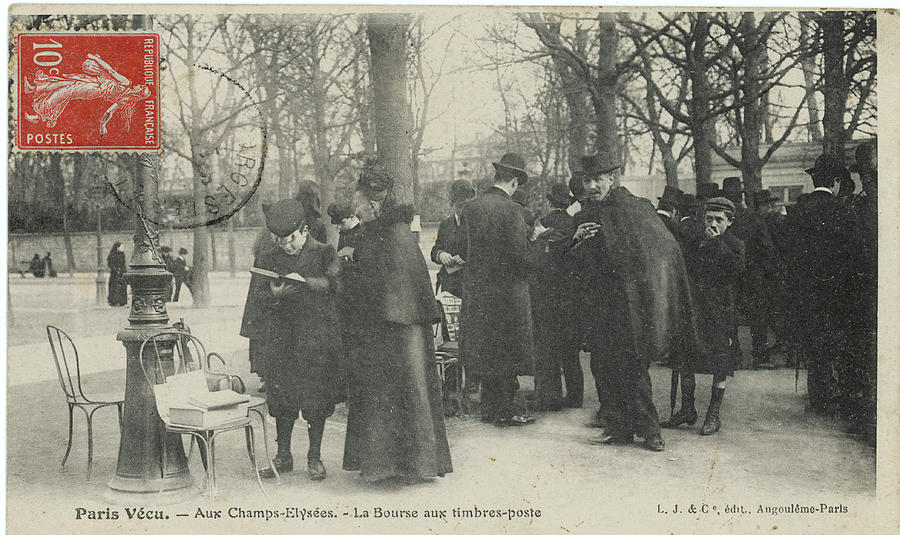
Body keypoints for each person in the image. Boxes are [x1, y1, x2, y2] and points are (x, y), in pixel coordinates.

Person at [570, 154, 697, 452]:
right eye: (587, 180)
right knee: (603, 366)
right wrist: (576, 241)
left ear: (611, 178)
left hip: (631, 307)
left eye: (596, 179)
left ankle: (651, 431)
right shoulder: (587, 212)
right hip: (600, 305)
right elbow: (576, 261)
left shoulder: (634, 208)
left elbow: (662, 249)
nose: (590, 186)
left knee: (632, 368)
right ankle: (617, 427)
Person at [342, 161, 452, 483]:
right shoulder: (388, 231)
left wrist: (348, 269)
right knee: (403, 394)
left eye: (359, 208)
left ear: (374, 204)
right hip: (397, 327)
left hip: (394, 331)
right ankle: (403, 465)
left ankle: (398, 466)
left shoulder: (389, 234)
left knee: (397, 394)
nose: (357, 214)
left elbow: (380, 286)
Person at [240, 198, 344, 481]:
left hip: (314, 339)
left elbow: (337, 286)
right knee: (282, 399)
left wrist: (306, 283)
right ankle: (283, 456)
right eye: (278, 240)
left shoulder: (324, 253)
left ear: (304, 230)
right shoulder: (268, 256)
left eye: (290, 240)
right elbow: (257, 295)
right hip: (281, 340)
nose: (285, 246)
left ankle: (314, 457)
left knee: (316, 399)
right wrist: (274, 294)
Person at [458, 152, 538, 427]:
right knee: (507, 351)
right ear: (515, 181)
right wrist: (536, 247)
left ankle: (490, 410)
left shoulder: (471, 207)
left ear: (496, 177)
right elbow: (521, 258)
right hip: (506, 295)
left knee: (487, 350)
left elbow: (464, 249)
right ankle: (507, 411)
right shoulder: (514, 210)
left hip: (479, 293)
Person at [663, 197, 745, 435]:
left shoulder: (735, 244)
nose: (713, 223)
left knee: (720, 363)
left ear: (729, 222)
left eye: (719, 219)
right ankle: (688, 409)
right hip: (695, 309)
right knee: (686, 359)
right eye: (709, 218)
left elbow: (736, 271)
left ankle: (713, 415)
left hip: (720, 312)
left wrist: (718, 242)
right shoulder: (695, 241)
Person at [783, 154, 851, 414]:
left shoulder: (798, 210)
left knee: (813, 344)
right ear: (835, 181)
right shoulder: (844, 210)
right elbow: (854, 253)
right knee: (834, 343)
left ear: (814, 180)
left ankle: (818, 397)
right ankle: (831, 396)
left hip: (805, 293)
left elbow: (788, 254)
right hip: (837, 292)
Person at [531, 182, 582, 410]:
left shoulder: (543, 222)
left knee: (548, 347)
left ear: (550, 202)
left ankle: (550, 397)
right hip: (569, 295)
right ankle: (575, 397)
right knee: (571, 351)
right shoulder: (574, 223)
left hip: (546, 294)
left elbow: (535, 254)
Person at [721, 177, 778, 370]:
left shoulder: (721, 220)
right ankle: (760, 357)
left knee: (730, 316)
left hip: (729, 275)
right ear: (741, 196)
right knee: (758, 316)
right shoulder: (753, 217)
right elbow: (767, 248)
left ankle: (734, 356)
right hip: (753, 275)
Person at [431, 179, 475, 298]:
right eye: (460, 206)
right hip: (449, 285)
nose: (465, 210)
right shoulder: (445, 224)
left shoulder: (478, 224)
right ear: (452, 203)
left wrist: (468, 259)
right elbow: (435, 249)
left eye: (468, 205)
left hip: (471, 285)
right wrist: (441, 255)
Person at [106, 242, 128, 306]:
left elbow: (123, 263)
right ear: (117, 248)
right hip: (114, 274)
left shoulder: (122, 254)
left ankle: (122, 301)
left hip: (122, 273)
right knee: (114, 287)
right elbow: (110, 264)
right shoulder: (112, 255)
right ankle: (114, 301)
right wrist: (115, 269)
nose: (122, 248)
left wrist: (124, 271)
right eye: (121, 247)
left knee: (122, 286)